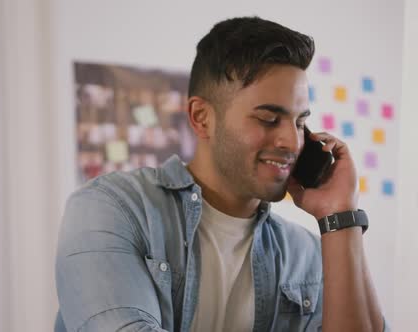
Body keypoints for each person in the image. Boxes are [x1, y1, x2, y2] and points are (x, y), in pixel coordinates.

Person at [55, 16, 387, 332]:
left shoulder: (305, 254)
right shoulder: (110, 209)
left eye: (300, 122)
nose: (292, 141)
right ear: (201, 118)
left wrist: (340, 216)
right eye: (269, 119)